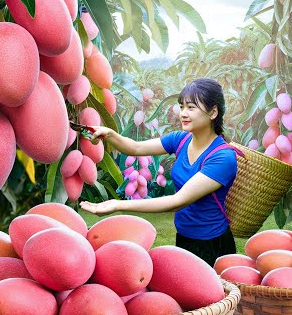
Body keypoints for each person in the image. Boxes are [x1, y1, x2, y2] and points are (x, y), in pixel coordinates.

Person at [79, 78, 239, 267]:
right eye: (182, 106)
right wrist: (110, 134)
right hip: (184, 237)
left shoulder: (223, 158)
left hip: (212, 244)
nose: (183, 114)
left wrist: (117, 204)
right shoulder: (180, 139)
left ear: (213, 112)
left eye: (191, 107)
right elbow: (136, 148)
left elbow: (177, 201)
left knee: (212, 295)